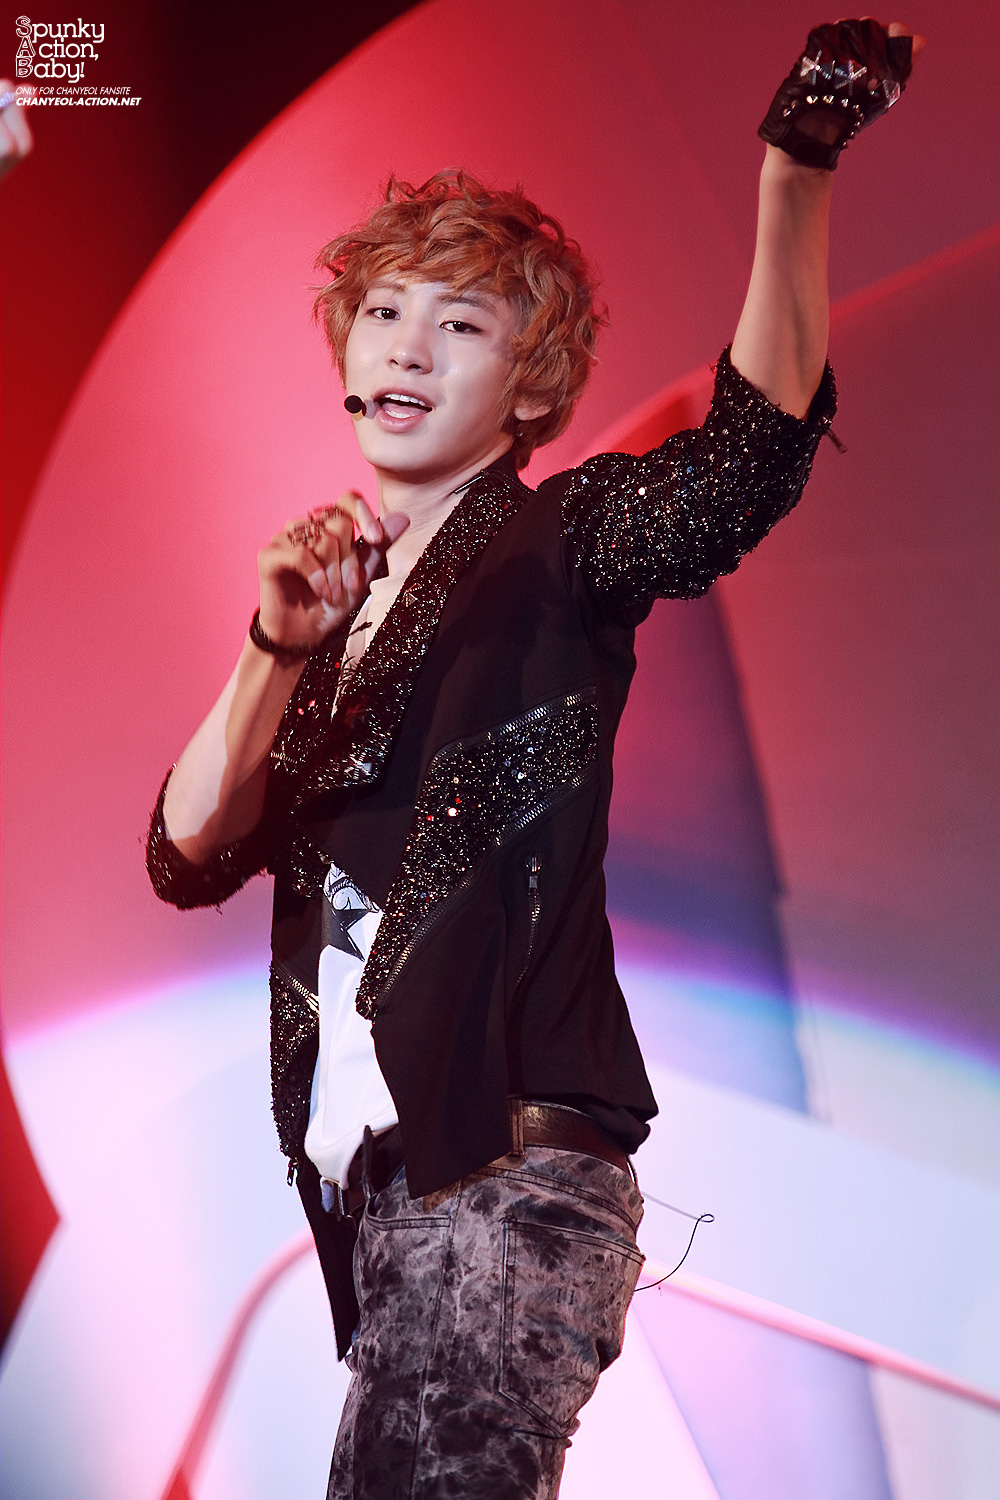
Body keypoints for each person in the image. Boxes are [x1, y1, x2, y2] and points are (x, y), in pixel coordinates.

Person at [147, 20, 921, 1499]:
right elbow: (186, 850)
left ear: (527, 388)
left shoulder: (560, 542)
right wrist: (273, 646)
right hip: (396, 1212)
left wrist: (795, 171)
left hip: (506, 1185)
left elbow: (747, 457)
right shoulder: (328, 620)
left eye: (459, 324)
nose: (405, 346)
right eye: (384, 313)